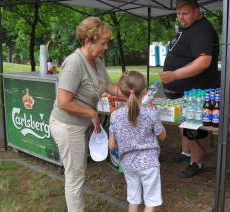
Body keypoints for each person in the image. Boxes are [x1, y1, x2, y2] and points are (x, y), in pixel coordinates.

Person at [49, 17, 120, 212]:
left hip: (79, 126)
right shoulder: (74, 63)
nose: (106, 47)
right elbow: (64, 102)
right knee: (75, 176)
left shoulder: (96, 61)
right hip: (67, 126)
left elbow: (110, 86)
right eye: (103, 43)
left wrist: (132, 93)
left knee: (78, 172)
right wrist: (92, 113)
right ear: (88, 41)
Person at [158, 0, 219, 178]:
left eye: (184, 14)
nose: (180, 18)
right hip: (185, 91)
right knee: (186, 123)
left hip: (198, 90)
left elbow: (203, 61)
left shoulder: (202, 30)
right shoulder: (189, 28)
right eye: (178, 14)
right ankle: (186, 154)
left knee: (194, 127)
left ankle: (197, 163)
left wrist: (175, 75)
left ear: (196, 11)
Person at [108, 71, 167, 212]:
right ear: (145, 91)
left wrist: (123, 143)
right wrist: (156, 116)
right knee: (150, 201)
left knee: (133, 199)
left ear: (122, 91)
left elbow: (111, 145)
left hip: (128, 164)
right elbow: (162, 136)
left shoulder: (115, 115)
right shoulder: (151, 113)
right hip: (149, 163)